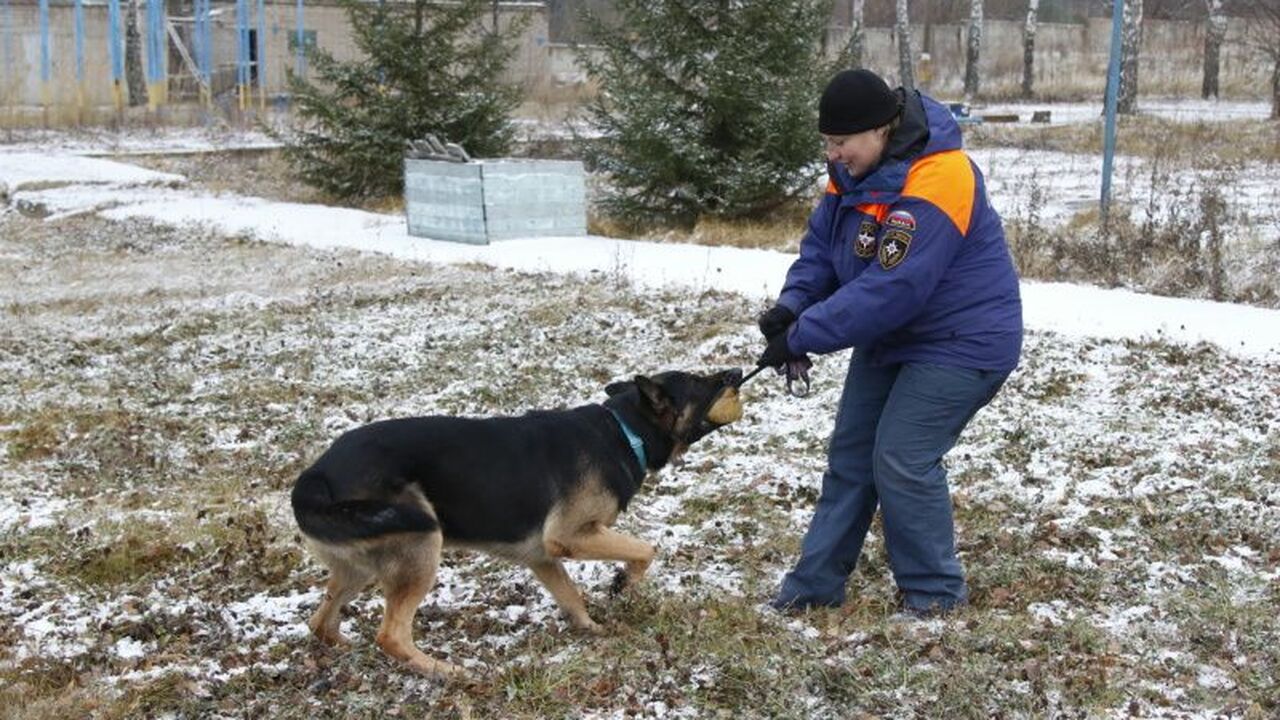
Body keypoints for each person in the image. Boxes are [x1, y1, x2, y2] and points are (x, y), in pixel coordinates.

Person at [755, 68, 1023, 617]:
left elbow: (895, 286)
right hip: (892, 337)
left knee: (901, 458)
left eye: (841, 142)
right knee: (851, 457)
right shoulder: (851, 173)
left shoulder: (942, 175)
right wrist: (791, 307)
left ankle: (934, 597)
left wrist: (805, 334)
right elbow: (822, 252)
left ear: (880, 130)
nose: (832, 155)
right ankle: (813, 589)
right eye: (826, 143)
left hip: (962, 341)